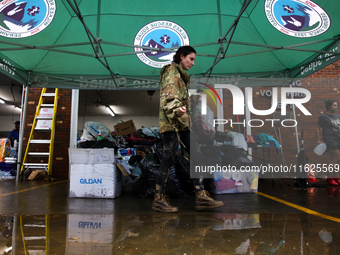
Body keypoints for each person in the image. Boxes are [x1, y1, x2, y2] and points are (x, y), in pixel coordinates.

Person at [152, 46, 224, 213]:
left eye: (193, 60)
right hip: (172, 123)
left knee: (197, 154)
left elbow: (177, 95)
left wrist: (189, 103)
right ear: (181, 56)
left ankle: (201, 197)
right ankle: (158, 199)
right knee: (168, 160)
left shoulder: (182, 77)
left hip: (181, 123)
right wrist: (177, 108)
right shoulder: (172, 71)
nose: (193, 63)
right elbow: (169, 95)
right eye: (191, 59)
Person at [317, 100, 340, 185]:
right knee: (336, 158)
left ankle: (336, 178)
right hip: (329, 139)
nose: (336, 107)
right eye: (334, 105)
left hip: (338, 139)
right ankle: (329, 178)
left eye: (336, 105)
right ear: (329, 106)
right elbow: (318, 128)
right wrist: (319, 140)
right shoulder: (324, 117)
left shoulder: (337, 116)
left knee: (338, 160)